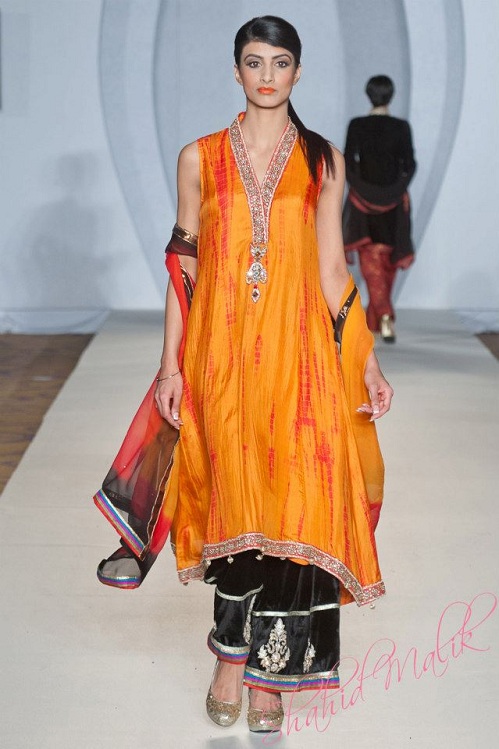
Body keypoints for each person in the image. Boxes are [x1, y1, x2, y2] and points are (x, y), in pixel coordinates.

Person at [96, 16, 393, 735]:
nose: (266, 75)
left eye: (280, 62)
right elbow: (184, 268)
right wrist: (169, 365)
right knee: (232, 507)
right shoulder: (198, 158)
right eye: (254, 62)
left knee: (295, 510)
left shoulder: (322, 160)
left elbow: (332, 270)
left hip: (301, 362)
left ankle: (271, 677)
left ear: (298, 71)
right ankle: (230, 658)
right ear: (236, 71)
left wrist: (365, 358)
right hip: (221, 361)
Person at [342, 75, 416, 342]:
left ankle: (381, 316)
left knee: (370, 256)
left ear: (368, 94)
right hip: (394, 201)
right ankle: (384, 316)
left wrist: (360, 188)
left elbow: (348, 161)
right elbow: (409, 164)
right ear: (391, 95)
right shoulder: (401, 127)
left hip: (363, 201)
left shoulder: (357, 125)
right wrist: (396, 190)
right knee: (387, 259)